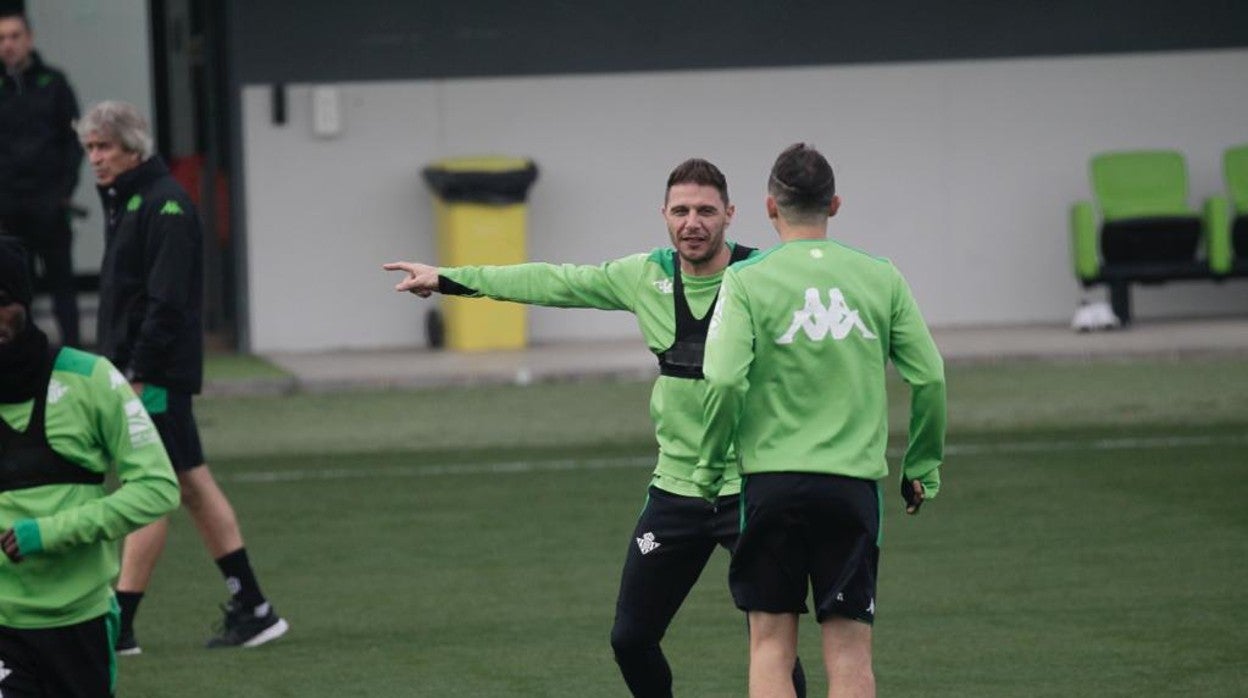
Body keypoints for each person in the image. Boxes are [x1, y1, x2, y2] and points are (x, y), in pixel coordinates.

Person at [384, 158, 805, 697]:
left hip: (751, 487)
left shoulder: (763, 274)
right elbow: (555, 281)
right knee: (630, 639)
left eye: (705, 211)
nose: (692, 223)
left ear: (730, 214)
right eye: (680, 211)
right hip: (677, 490)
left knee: (772, 646)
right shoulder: (645, 275)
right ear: (663, 215)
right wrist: (448, 278)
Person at [696, 143, 947, 698]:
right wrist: (922, 466)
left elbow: (724, 381)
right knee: (851, 656)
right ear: (834, 204)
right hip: (851, 490)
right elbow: (930, 378)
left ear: (770, 207)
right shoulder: (881, 277)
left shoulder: (745, 280)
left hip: (771, 486)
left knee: (770, 650)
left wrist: (709, 467)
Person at [76, 100, 288, 653]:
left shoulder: (163, 204)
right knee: (189, 484)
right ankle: (254, 607)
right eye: (90, 148)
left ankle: (120, 625)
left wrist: (139, 372)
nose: (95, 158)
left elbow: (166, 302)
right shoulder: (129, 199)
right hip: (146, 373)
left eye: (104, 146)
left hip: (156, 377)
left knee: (149, 488)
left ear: (132, 148)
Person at [0, 236, 179, 697]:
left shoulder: (90, 378)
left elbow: (158, 488)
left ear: (24, 304)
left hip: (80, 622)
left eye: (1, 301)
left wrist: (50, 532)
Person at [0, 10, 82, 347]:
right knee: (14, 290)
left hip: (50, 206)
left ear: (29, 39)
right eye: (1, 38)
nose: (8, 45)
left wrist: (63, 191)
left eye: (14, 36)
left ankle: (74, 353)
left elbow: (74, 140)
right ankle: (22, 358)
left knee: (63, 285)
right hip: (7, 209)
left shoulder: (54, 83)